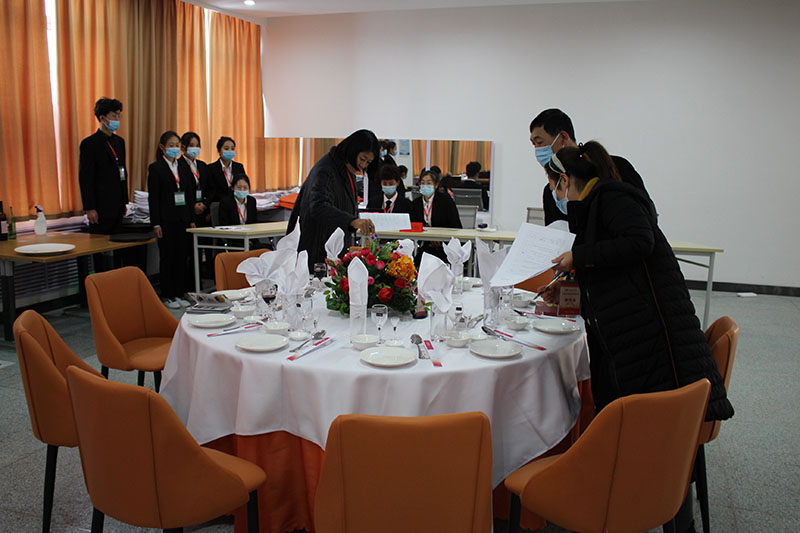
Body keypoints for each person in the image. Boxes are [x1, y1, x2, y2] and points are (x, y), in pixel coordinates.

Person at [543, 141, 733, 422]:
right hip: (631, 323)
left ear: (565, 180)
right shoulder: (594, 204)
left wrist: (578, 257)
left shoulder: (612, 197)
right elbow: (611, 263)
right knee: (634, 411)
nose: (556, 196)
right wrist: (572, 286)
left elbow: (639, 242)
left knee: (661, 416)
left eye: (554, 188)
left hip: (652, 325)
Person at [529, 108, 648, 225]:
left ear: (563, 137)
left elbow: (645, 214)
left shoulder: (616, 167)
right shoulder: (552, 191)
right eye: (534, 144)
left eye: (539, 142)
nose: (537, 150)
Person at [287, 129, 379, 267]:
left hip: (333, 249)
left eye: (368, 162)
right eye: (362, 159)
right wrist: (352, 221)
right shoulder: (326, 169)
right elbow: (318, 207)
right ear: (352, 150)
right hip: (317, 248)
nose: (364, 165)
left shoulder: (348, 171)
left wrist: (356, 222)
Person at [79, 98, 130, 271]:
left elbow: (123, 173)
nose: (117, 119)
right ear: (102, 118)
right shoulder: (89, 144)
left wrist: (124, 200)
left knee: (118, 250)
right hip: (100, 207)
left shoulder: (120, 142)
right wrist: (89, 207)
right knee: (100, 251)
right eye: (114, 116)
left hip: (117, 205)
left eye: (119, 116)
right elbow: (85, 178)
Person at [148, 131, 196, 309]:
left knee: (182, 256)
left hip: (182, 218)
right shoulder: (156, 168)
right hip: (166, 220)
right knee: (168, 257)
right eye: (171, 145)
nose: (174, 148)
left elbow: (189, 194)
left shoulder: (182, 166)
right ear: (162, 147)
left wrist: (191, 218)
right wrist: (156, 223)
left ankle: (180, 291)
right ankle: (168, 294)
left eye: (177, 145)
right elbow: (154, 198)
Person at [410, 169, 461, 264]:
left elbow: (456, 226)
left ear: (436, 185)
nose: (425, 186)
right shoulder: (416, 204)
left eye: (429, 183)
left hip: (444, 246)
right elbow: (413, 225)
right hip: (425, 245)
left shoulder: (446, 201)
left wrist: (440, 239)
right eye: (422, 183)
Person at [179, 131, 210, 227]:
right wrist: (193, 206)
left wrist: (204, 204)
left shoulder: (202, 165)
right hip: (186, 212)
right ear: (183, 147)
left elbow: (210, 188)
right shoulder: (178, 165)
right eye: (192, 145)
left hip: (203, 211)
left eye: (197, 146)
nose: (195, 148)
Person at [207, 136, 246, 211]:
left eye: (232, 149)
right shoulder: (211, 168)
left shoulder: (239, 167)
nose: (230, 151)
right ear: (219, 151)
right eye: (226, 148)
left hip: (237, 205)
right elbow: (211, 191)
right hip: (219, 205)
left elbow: (244, 185)